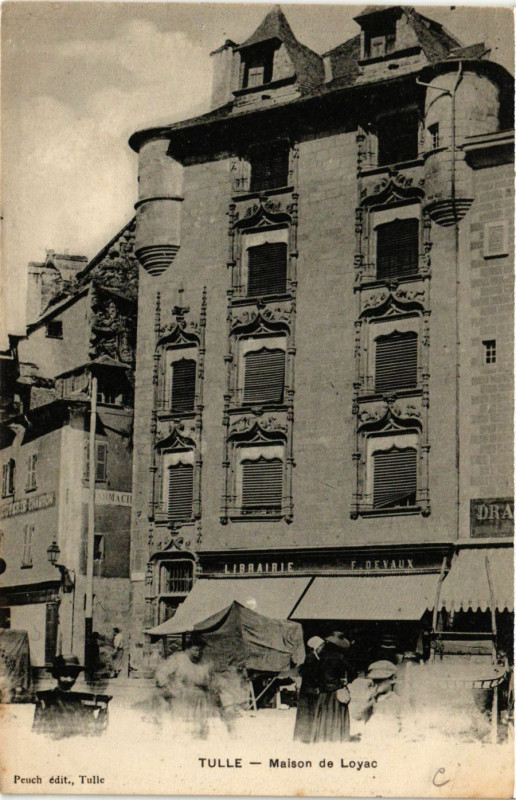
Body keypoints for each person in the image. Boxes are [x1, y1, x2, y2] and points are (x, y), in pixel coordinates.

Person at [154, 634, 223, 739]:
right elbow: (161, 673)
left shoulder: (206, 663)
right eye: (195, 650)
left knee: (200, 733)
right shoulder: (178, 659)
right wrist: (168, 687)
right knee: (182, 732)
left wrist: (216, 695)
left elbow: (213, 682)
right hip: (182, 701)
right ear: (188, 649)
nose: (198, 653)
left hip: (201, 703)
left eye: (201, 650)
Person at [32, 654, 111, 739]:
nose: (69, 679)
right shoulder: (45, 699)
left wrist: (103, 711)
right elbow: (37, 731)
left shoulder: (80, 700)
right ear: (56, 675)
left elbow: (94, 730)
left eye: (73, 675)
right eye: (65, 675)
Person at [310, 632, 355, 743]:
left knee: (324, 716)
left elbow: (315, 675)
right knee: (336, 716)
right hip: (336, 692)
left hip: (323, 693)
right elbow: (353, 673)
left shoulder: (320, 658)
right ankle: (337, 738)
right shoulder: (340, 658)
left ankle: (323, 737)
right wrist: (344, 682)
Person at [293, 635, 325, 743]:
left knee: (309, 715)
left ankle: (307, 737)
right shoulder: (310, 659)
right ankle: (304, 738)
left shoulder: (315, 658)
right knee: (307, 715)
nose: (322, 648)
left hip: (309, 690)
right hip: (308, 691)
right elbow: (309, 676)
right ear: (316, 647)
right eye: (321, 646)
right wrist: (315, 687)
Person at [363, 660, 401, 740]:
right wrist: (369, 699)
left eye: (380, 680)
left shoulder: (397, 700)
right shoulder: (373, 699)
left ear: (393, 679)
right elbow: (358, 715)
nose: (376, 683)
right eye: (374, 680)